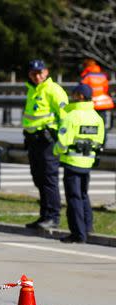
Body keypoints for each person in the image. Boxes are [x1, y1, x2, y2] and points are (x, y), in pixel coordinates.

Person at [54, 83, 105, 244]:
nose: (72, 96)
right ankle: (88, 227)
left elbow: (62, 141)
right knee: (83, 195)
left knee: (73, 198)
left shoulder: (71, 116)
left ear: (80, 96)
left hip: (72, 162)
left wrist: (56, 151)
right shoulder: (97, 117)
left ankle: (77, 234)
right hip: (87, 162)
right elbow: (100, 141)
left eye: (74, 94)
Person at [22, 59, 68, 230]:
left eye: (40, 73)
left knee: (49, 179)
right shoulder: (32, 90)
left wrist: (61, 140)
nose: (37, 76)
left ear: (46, 72)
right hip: (34, 141)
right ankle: (44, 215)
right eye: (33, 73)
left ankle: (53, 217)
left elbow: (64, 116)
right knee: (38, 178)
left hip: (48, 142)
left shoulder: (53, 90)